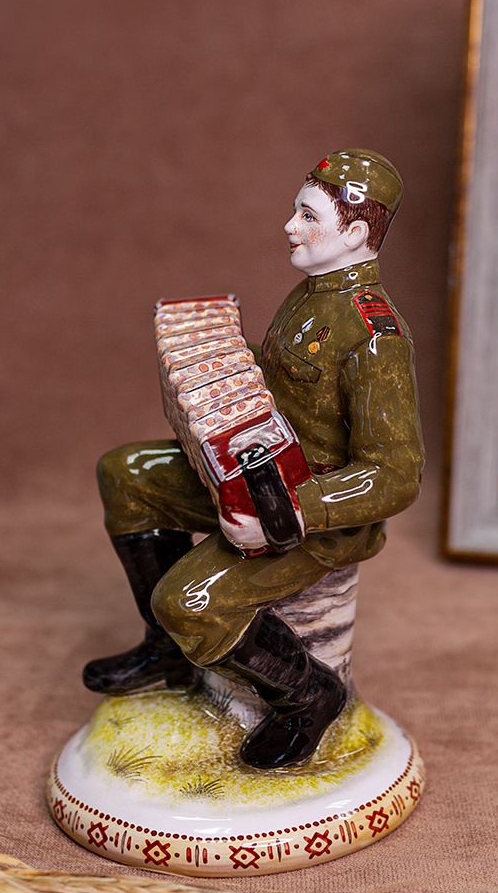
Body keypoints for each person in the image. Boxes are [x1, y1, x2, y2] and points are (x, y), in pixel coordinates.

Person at [84, 149, 424, 769]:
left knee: (187, 601)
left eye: (308, 216)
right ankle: (169, 652)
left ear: (354, 234)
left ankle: (306, 696)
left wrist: (292, 512)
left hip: (310, 516)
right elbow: (289, 393)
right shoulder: (310, 297)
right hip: (252, 474)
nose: (290, 226)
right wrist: (223, 363)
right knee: (126, 475)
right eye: (296, 210)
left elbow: (396, 476)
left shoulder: (376, 338)